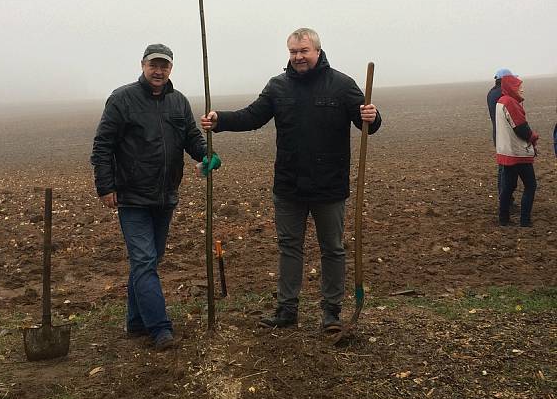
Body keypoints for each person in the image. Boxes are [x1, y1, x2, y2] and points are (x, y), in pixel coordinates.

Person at [201, 27, 381, 332]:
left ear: (318, 52)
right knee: (289, 247)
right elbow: (252, 116)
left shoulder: (342, 85)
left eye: (304, 51)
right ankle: (287, 310)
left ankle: (331, 313)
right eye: (293, 52)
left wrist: (372, 116)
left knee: (333, 248)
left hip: (329, 185)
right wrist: (221, 121)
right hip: (289, 185)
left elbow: (369, 125)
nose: (298, 57)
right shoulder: (278, 87)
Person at [91, 44, 217, 350]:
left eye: (164, 66)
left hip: (165, 196)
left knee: (148, 261)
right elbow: (103, 145)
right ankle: (160, 328)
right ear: (143, 65)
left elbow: (192, 139)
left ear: (170, 69)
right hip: (133, 197)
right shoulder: (122, 99)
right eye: (153, 65)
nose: (158, 71)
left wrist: (208, 154)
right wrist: (106, 187)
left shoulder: (178, 102)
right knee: (145, 260)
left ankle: (135, 322)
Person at [495, 74, 538, 227]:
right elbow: (521, 128)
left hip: (506, 152)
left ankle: (503, 218)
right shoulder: (510, 103)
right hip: (518, 153)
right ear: (512, 88)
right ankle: (525, 221)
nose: (522, 90)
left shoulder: (500, 101)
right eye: (520, 87)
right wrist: (533, 137)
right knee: (530, 185)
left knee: (508, 187)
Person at [487, 68, 515, 207]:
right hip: (505, 135)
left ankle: (505, 199)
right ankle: (505, 200)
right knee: (505, 168)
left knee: (503, 167)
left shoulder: (491, 93)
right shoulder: (502, 94)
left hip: (497, 134)